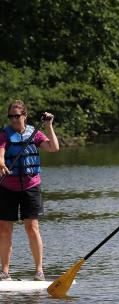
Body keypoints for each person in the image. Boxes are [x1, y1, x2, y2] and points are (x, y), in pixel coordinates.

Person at [0, 100, 59, 281]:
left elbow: (54, 148)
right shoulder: (4, 134)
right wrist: (1, 162)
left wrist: (49, 126)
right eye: (11, 116)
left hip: (31, 186)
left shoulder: (35, 133)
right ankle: (4, 272)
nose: (14, 119)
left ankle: (39, 271)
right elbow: (0, 153)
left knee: (32, 228)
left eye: (17, 116)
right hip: (7, 187)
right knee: (4, 229)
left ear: (24, 115)